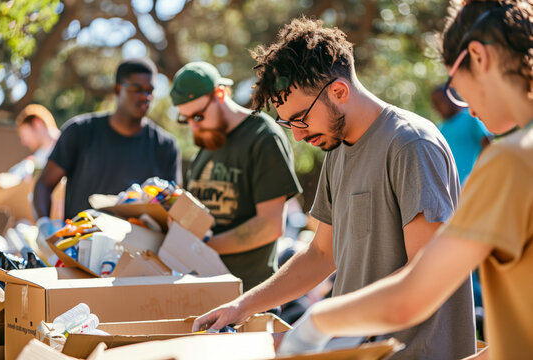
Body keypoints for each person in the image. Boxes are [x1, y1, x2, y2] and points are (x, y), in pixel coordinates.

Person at [193, 18, 476, 359]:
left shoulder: (411, 144)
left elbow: (426, 270)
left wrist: (320, 326)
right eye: (287, 124)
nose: (297, 135)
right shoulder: (337, 151)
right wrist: (242, 306)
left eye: (301, 119)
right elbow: (320, 255)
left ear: (339, 92)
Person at [267, 1, 533, 359]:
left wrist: (317, 321)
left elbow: (413, 296)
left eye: (455, 84)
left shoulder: (512, 160)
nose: (464, 105)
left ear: (478, 57)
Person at [169, 61, 302, 291]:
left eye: (198, 116)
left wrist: (200, 246)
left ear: (219, 94)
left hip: (249, 296)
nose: (193, 127)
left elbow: (270, 225)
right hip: (201, 290)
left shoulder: (263, 137)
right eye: (185, 119)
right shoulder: (209, 141)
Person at [34, 58, 182, 236]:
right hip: (80, 246)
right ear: (118, 89)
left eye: (150, 90)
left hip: (138, 253)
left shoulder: (165, 146)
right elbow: (44, 184)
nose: (146, 96)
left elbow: (174, 206)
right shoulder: (80, 131)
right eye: (137, 89)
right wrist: (44, 225)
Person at [431, 85, 492, 184]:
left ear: (450, 97)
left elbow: (488, 145)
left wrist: (482, 172)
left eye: (440, 101)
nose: (437, 107)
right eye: (435, 104)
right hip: (455, 189)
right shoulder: (440, 129)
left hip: (476, 182)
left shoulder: (470, 117)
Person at [0, 104, 60, 188]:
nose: (24, 142)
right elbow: (10, 177)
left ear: (37, 123)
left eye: (25, 135)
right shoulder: (37, 158)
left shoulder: (66, 147)